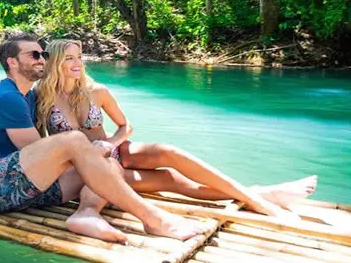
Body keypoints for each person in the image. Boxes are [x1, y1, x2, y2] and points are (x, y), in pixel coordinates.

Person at [34, 39, 317, 239]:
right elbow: (37, 143)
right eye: (69, 57)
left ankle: (260, 201)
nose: (77, 63)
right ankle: (266, 193)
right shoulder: (41, 98)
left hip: (115, 152)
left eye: (79, 57)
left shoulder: (97, 91)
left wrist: (111, 143)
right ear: (56, 61)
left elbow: (126, 126)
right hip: (88, 169)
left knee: (167, 152)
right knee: (172, 180)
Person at [0, 34, 210, 243]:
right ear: (12, 62)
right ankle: (154, 220)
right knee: (75, 141)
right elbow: (36, 151)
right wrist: (86, 150)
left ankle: (85, 214)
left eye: (43, 54)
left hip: (24, 188)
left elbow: (40, 164)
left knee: (109, 162)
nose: (41, 59)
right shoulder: (7, 97)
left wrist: (101, 153)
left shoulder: (29, 96)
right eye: (33, 55)